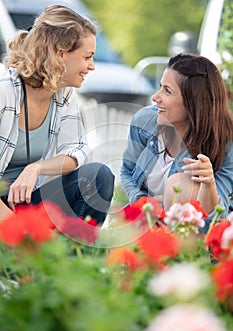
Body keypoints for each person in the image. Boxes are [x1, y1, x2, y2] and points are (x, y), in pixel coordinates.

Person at [0, 5, 115, 225]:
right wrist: (18, 231)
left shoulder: (63, 94)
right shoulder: (4, 92)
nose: (91, 66)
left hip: (25, 203)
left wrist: (35, 168)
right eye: (87, 57)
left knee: (97, 176)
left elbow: (77, 150)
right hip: (3, 211)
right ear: (60, 54)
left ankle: (76, 257)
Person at [120, 53, 233, 232]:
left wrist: (209, 183)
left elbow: (217, 217)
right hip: (147, 221)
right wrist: (142, 202)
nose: (155, 97)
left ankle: (179, 258)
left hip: (195, 235)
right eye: (160, 87)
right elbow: (126, 171)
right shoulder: (144, 121)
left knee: (179, 183)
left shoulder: (226, 142)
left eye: (167, 91)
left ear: (193, 102)